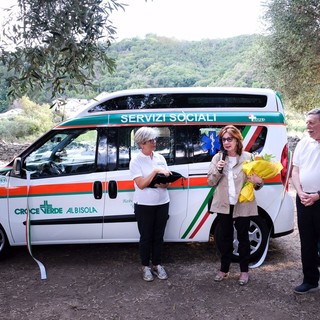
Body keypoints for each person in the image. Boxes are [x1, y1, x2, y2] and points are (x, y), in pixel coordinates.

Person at [207, 125, 263, 285]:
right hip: (224, 204)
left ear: (237, 140)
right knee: (225, 238)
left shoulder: (248, 157)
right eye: (223, 139)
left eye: (229, 139)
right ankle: (224, 269)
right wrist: (218, 170)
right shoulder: (217, 158)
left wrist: (258, 182)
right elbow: (211, 182)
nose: (226, 142)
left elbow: (259, 183)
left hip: (242, 204)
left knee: (243, 238)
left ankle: (244, 271)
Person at [129, 127, 172, 282]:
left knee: (158, 236)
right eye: (151, 140)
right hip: (144, 204)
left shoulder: (160, 157)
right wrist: (155, 172)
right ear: (142, 144)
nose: (154, 142)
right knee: (146, 236)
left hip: (162, 202)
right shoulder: (136, 161)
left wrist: (165, 183)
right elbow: (140, 184)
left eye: (154, 139)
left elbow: (166, 180)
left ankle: (157, 264)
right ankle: (145, 266)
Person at [291, 108, 320, 294]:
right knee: (307, 242)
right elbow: (295, 170)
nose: (307, 126)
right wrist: (300, 192)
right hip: (303, 199)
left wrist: (318, 195)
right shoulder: (303, 143)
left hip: (319, 198)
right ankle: (310, 281)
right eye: (307, 122)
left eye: (311, 123)